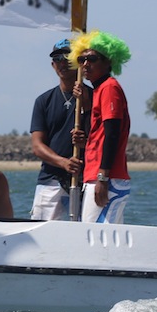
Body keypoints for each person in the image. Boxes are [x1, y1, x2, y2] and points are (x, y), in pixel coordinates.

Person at [70, 31, 132, 224]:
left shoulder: (109, 88)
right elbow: (98, 131)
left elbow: (112, 134)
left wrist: (102, 177)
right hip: (96, 175)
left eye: (92, 59)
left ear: (108, 62)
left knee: (96, 236)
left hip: (107, 177)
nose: (85, 64)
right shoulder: (98, 91)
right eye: (82, 59)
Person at [30, 39, 91, 220]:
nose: (62, 63)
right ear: (52, 64)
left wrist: (85, 142)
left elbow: (104, 138)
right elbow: (37, 145)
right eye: (58, 59)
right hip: (51, 180)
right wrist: (63, 162)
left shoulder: (93, 97)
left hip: (85, 180)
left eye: (68, 57)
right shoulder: (44, 101)